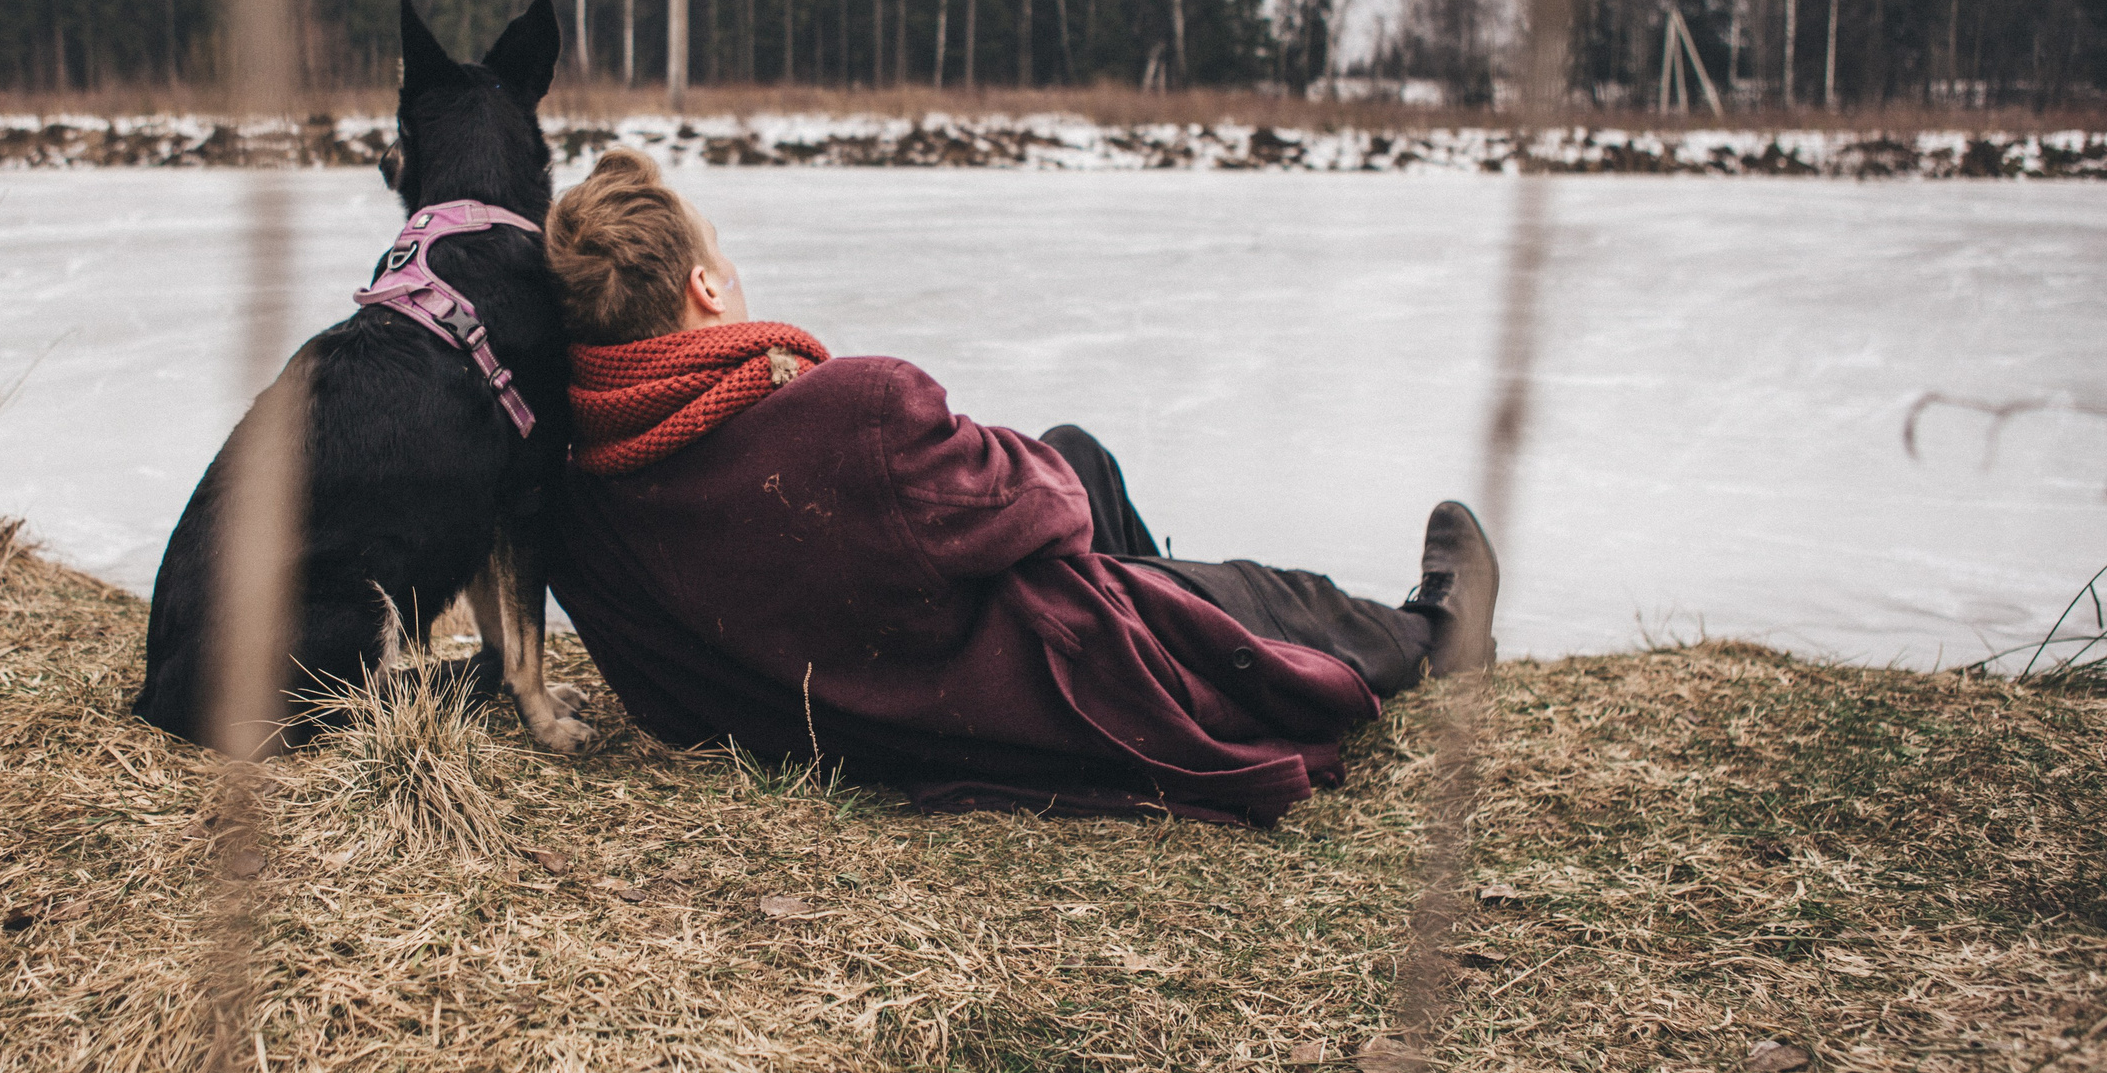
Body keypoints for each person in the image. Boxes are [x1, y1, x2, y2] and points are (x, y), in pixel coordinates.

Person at [541, 149, 1499, 827]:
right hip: (1023, 692)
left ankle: (1160, 576)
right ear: (707, 290)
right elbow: (1051, 507)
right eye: (730, 263)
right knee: (1270, 603)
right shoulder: (853, 415)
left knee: (1076, 448)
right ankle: (1440, 633)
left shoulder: (585, 505)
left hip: (856, 697)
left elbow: (668, 701)